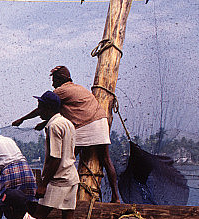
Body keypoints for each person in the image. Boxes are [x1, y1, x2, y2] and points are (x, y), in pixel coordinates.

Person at [12, 66, 121, 202]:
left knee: (64, 160)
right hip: (101, 122)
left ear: (60, 79)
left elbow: (43, 108)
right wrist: (43, 123)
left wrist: (22, 119)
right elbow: (65, 110)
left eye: (54, 80)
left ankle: (51, 191)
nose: (52, 84)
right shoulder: (78, 88)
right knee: (106, 160)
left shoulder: (61, 91)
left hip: (86, 125)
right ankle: (116, 197)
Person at [31, 91, 79, 219]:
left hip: (59, 180)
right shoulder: (66, 122)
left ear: (49, 108)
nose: (38, 110)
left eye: (41, 106)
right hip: (72, 177)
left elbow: (55, 158)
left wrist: (43, 184)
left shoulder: (53, 126)